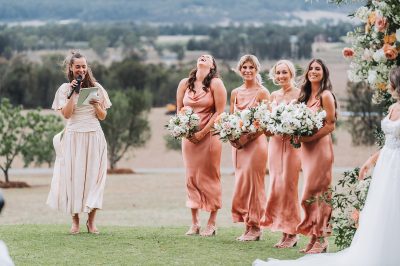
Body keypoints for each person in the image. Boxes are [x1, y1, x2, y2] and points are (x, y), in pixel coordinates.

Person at [253, 66, 400, 266]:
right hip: (382, 161)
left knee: (319, 191)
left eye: (317, 69)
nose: (313, 71)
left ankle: (321, 237)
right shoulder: (392, 108)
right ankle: (316, 237)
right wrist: (370, 161)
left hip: (386, 162)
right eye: (310, 69)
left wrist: (308, 136)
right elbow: (390, 142)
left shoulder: (326, 95)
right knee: (310, 194)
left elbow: (330, 123)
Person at [47, 51, 111, 234]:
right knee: (73, 178)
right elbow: (66, 115)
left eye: (84, 66)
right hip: (74, 136)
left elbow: (103, 116)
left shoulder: (97, 87)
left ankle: (91, 222)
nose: (81, 69)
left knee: (95, 179)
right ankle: (75, 221)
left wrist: (96, 105)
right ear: (71, 68)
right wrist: (73, 95)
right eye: (78, 66)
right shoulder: (64, 89)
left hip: (94, 136)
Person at [176, 54, 227, 236]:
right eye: (201, 56)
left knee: (210, 176)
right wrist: (186, 132)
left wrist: (202, 132)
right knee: (191, 177)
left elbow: (220, 112)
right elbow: (179, 110)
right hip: (189, 138)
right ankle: (195, 222)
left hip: (210, 136)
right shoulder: (184, 83)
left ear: (212, 65)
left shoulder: (216, 84)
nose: (203, 57)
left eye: (208, 57)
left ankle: (212, 222)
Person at [229, 55, 269, 241]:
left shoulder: (263, 93)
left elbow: (265, 124)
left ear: (257, 69)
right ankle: (248, 225)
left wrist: (247, 138)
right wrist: (231, 137)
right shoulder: (235, 92)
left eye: (251, 67)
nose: (247, 70)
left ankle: (256, 227)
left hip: (255, 144)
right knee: (242, 184)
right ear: (239, 69)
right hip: (238, 146)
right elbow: (230, 120)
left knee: (254, 184)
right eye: (244, 67)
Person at [262, 60, 301, 248]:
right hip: (275, 144)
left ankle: (292, 232)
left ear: (291, 74)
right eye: (278, 73)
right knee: (277, 186)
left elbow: (304, 122)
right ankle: (283, 231)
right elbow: (268, 128)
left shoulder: (300, 94)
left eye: (284, 72)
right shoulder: (273, 95)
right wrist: (263, 126)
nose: (281, 76)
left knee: (289, 187)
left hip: (293, 145)